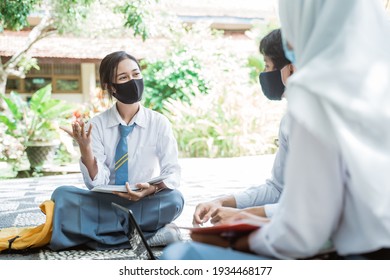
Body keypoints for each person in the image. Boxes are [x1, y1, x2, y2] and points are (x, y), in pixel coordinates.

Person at [162, 0, 390, 260]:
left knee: (182, 255)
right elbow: (283, 189)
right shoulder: (375, 84)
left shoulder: (314, 94)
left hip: (351, 253)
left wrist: (242, 236)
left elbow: (304, 230)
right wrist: (229, 204)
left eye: (269, 66)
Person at [50, 51, 184, 251]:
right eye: (123, 77)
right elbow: (97, 183)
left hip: (143, 201)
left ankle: (97, 236)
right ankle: (151, 236)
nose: (133, 81)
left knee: (175, 199)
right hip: (106, 203)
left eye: (136, 74)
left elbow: (172, 171)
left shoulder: (159, 123)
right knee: (61, 196)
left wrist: (152, 189)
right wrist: (86, 149)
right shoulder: (97, 125)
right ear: (111, 87)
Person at [193, 28, 294, 226]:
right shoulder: (290, 119)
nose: (264, 74)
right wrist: (221, 201)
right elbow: (277, 189)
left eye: (267, 66)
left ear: (290, 68)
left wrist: (243, 215)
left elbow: (310, 205)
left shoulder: (316, 120)